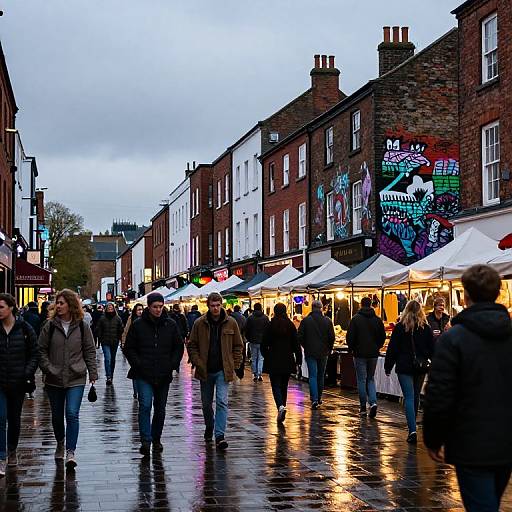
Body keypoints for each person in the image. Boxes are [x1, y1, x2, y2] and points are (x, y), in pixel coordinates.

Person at [423, 265, 512, 511]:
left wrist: (433, 437)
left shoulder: (453, 339)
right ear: (498, 293)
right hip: (506, 439)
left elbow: (439, 393)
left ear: (465, 295)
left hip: (470, 441)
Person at [38, 289, 97, 469]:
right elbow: (40, 350)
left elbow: (89, 350)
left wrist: (93, 373)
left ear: (71, 305)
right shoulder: (50, 326)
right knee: (56, 416)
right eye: (57, 303)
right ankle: (60, 442)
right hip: (54, 378)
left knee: (71, 413)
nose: (58, 306)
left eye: (62, 303)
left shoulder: (82, 326)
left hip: (76, 376)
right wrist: (48, 368)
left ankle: (71, 451)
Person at [124, 292, 183, 456]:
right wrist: (138, 363)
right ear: (149, 307)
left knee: (160, 409)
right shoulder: (138, 325)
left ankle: (156, 438)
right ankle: (146, 440)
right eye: (155, 307)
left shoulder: (170, 325)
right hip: (143, 373)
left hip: (163, 373)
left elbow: (178, 346)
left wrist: (172, 364)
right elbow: (129, 347)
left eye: (160, 306)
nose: (158, 310)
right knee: (144, 406)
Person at [188, 292, 243, 450]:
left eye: (218, 305)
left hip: (223, 370)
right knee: (206, 404)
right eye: (213, 306)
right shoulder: (199, 323)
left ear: (222, 304)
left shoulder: (231, 322)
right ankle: (209, 426)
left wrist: (235, 363)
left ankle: (220, 435)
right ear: (208, 306)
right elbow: (192, 344)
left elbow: (238, 345)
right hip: (205, 369)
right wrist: (198, 362)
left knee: (221, 401)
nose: (216, 308)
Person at [384, 300, 434, 443]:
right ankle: (413, 425)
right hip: (421, 366)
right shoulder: (426, 328)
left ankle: (412, 429)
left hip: (404, 366)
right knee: (416, 395)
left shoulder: (400, 327)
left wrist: (388, 366)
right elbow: (432, 349)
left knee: (409, 397)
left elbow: (392, 348)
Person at [0, 294, 38, 476]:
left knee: (14, 419)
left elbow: (34, 352)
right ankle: (1, 456)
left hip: (18, 381)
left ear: (11, 308)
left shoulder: (24, 328)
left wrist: (27, 372)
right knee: (0, 418)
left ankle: (12, 450)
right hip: (0, 381)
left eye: (1, 307)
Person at [346, 296, 386, 418]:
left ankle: (363, 407)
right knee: (370, 379)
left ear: (361, 305)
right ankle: (373, 402)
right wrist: (377, 347)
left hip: (359, 354)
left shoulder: (355, 319)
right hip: (373, 354)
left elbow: (350, 337)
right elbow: (382, 337)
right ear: (371, 305)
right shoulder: (377, 320)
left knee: (362, 380)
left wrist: (352, 348)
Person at [261, 303, 301, 423]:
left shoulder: (270, 325)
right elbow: (296, 343)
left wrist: (266, 355)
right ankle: (282, 406)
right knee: (284, 385)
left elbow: (263, 344)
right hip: (287, 359)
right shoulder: (290, 325)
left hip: (273, 359)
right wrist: (298, 359)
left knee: (275, 385)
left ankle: (280, 406)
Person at [298, 300, 335, 409]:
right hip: (324, 352)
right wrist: (329, 348)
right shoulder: (327, 321)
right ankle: (319, 398)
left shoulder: (306, 321)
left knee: (313, 376)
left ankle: (314, 399)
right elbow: (332, 337)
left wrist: (306, 346)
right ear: (321, 308)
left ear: (312, 308)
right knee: (321, 375)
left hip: (310, 352)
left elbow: (299, 336)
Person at [96, 302, 123, 385]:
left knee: (112, 360)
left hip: (114, 341)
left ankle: (111, 375)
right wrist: (100, 337)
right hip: (105, 341)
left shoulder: (117, 318)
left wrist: (119, 337)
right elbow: (98, 328)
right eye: (109, 308)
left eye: (111, 307)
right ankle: (108, 376)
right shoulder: (102, 318)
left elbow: (121, 328)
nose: (110, 309)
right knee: (108, 358)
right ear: (106, 309)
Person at [122, 303, 144, 399]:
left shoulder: (146, 320)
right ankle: (136, 391)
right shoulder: (131, 319)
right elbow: (126, 331)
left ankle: (141, 390)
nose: (140, 311)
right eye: (139, 309)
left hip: (143, 349)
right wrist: (123, 343)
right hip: (133, 348)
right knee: (135, 369)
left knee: (141, 369)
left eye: (142, 309)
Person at [245, 303, 269, 382]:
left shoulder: (250, 318)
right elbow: (268, 329)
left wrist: (248, 338)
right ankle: (259, 374)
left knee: (254, 358)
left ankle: (255, 374)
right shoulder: (265, 318)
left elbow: (246, 329)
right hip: (262, 342)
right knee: (261, 358)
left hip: (253, 341)